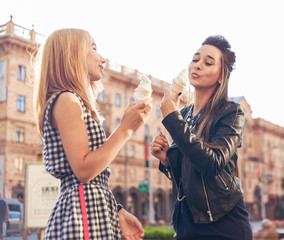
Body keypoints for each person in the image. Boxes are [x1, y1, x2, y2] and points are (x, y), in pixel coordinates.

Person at [33, 28, 151, 240]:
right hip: (82, 213)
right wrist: (126, 129)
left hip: (89, 209)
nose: (102, 58)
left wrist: (118, 210)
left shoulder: (72, 101)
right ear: (72, 55)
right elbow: (84, 170)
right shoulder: (67, 100)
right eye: (94, 49)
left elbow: (91, 175)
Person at [151, 35, 253, 240]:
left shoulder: (231, 113)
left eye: (208, 63)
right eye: (195, 59)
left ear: (221, 76)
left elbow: (211, 163)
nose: (197, 66)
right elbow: (188, 177)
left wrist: (173, 119)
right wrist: (166, 160)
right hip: (188, 223)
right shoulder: (186, 114)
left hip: (224, 225)